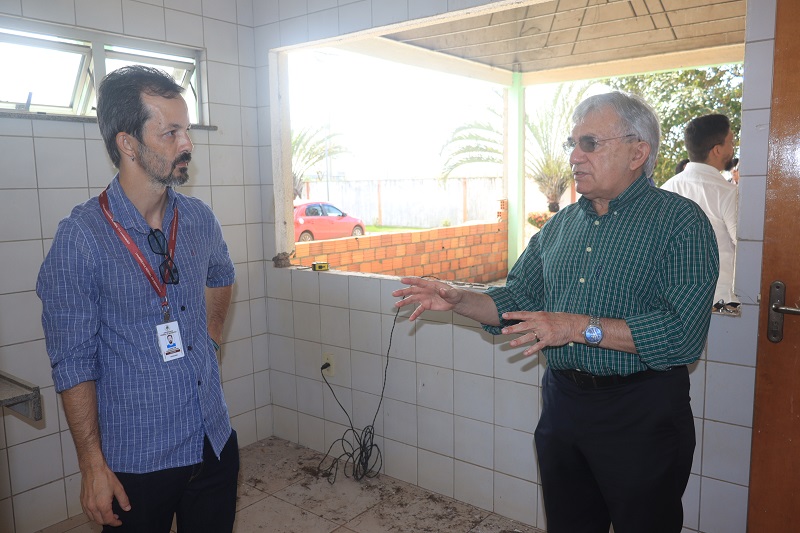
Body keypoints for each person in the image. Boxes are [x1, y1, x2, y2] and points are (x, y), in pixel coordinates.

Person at [393, 91, 718, 533]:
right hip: (564, 404)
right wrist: (460, 300)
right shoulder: (562, 225)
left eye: (590, 143)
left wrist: (577, 327)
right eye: (572, 143)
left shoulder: (681, 223)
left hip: (642, 411)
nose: (574, 156)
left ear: (637, 152)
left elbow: (682, 335)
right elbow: (516, 300)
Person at [37, 65, 238, 532]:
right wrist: (92, 466)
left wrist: (209, 338)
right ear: (128, 144)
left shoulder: (198, 219)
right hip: (136, 462)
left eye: (185, 129)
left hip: (213, 440)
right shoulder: (81, 239)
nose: (186, 143)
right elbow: (72, 362)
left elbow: (222, 275)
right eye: (170, 133)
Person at [661, 114, 738, 305]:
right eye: (731, 142)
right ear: (717, 150)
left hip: (672, 302)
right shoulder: (728, 193)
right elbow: (745, 247)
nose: (733, 148)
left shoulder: (664, 190)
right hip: (719, 303)